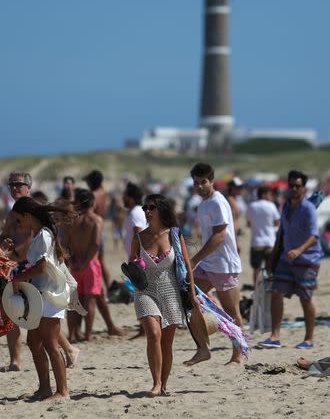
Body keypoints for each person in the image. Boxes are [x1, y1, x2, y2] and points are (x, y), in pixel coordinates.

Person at [4, 196, 80, 401]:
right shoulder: (40, 235)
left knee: (50, 344)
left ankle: (63, 391)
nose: (19, 225)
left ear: (27, 216)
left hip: (50, 295)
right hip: (41, 294)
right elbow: (30, 259)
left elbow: (40, 266)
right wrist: (11, 253)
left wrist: (17, 279)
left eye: (19, 220)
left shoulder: (44, 235)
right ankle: (45, 388)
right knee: (34, 341)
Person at [131, 194, 197, 397]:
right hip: (145, 291)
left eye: (152, 207)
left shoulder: (174, 235)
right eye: (145, 208)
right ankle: (156, 383)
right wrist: (135, 270)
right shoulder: (138, 238)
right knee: (153, 334)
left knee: (167, 343)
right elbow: (131, 266)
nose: (148, 212)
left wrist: (193, 294)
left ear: (161, 210)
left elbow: (187, 266)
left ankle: (164, 384)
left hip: (170, 292)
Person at [187, 163, 244, 365]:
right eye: (196, 183)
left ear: (212, 181)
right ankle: (203, 349)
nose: (199, 186)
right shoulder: (203, 204)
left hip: (224, 265)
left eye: (203, 182)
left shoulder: (218, 202)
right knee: (189, 300)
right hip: (209, 264)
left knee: (232, 311)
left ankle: (238, 355)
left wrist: (194, 259)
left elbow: (219, 236)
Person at [259, 170, 321, 349]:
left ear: (303, 188)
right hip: (286, 259)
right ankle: (274, 336)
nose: (293, 188)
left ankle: (309, 339)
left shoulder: (308, 208)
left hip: (307, 259)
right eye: (291, 185)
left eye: (297, 186)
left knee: (305, 297)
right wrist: (273, 255)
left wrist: (298, 250)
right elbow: (281, 233)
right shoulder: (286, 206)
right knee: (277, 293)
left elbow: (314, 236)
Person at [0, 171, 33, 372]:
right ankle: (15, 360)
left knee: (39, 314)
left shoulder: (33, 209)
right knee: (11, 312)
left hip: (32, 266)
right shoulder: (12, 212)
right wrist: (2, 246)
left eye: (18, 185)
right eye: (11, 184)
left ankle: (68, 349)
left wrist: (16, 253)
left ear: (28, 187)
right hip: (14, 267)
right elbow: (4, 236)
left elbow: (34, 238)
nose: (14, 188)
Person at [83, 170, 122, 333]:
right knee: (102, 261)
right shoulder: (103, 191)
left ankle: (105, 288)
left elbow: (89, 211)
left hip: (94, 228)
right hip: (101, 227)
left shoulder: (93, 194)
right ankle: (108, 288)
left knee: (97, 262)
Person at [245, 186, 280, 286]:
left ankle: (256, 289)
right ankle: (269, 287)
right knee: (270, 268)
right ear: (264, 194)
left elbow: (248, 223)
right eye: (269, 194)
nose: (270, 196)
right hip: (270, 241)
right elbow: (277, 222)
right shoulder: (271, 205)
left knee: (257, 268)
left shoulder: (251, 206)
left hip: (256, 241)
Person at [122, 182, 147, 261]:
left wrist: (134, 257)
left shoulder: (135, 213)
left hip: (137, 259)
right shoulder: (138, 211)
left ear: (131, 198)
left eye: (125, 195)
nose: (123, 198)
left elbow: (139, 236)